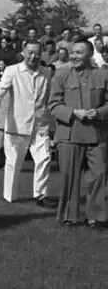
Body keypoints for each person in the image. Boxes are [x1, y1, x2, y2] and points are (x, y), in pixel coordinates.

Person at [0, 41, 56, 207]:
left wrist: (52, 121)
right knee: (13, 162)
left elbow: (49, 96)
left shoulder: (46, 72)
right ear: (23, 53)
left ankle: (41, 195)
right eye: (30, 52)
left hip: (40, 124)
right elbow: (0, 88)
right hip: (17, 124)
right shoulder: (12, 70)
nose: (33, 56)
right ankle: (10, 196)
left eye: (37, 53)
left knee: (44, 158)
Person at [49, 40, 108, 227]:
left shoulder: (103, 75)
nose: (74, 56)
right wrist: (74, 112)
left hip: (97, 135)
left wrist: (99, 112)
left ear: (90, 54)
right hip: (70, 135)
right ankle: (70, 216)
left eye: (79, 53)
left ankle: (95, 216)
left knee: (99, 175)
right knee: (70, 177)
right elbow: (53, 105)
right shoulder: (61, 75)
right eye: (72, 52)